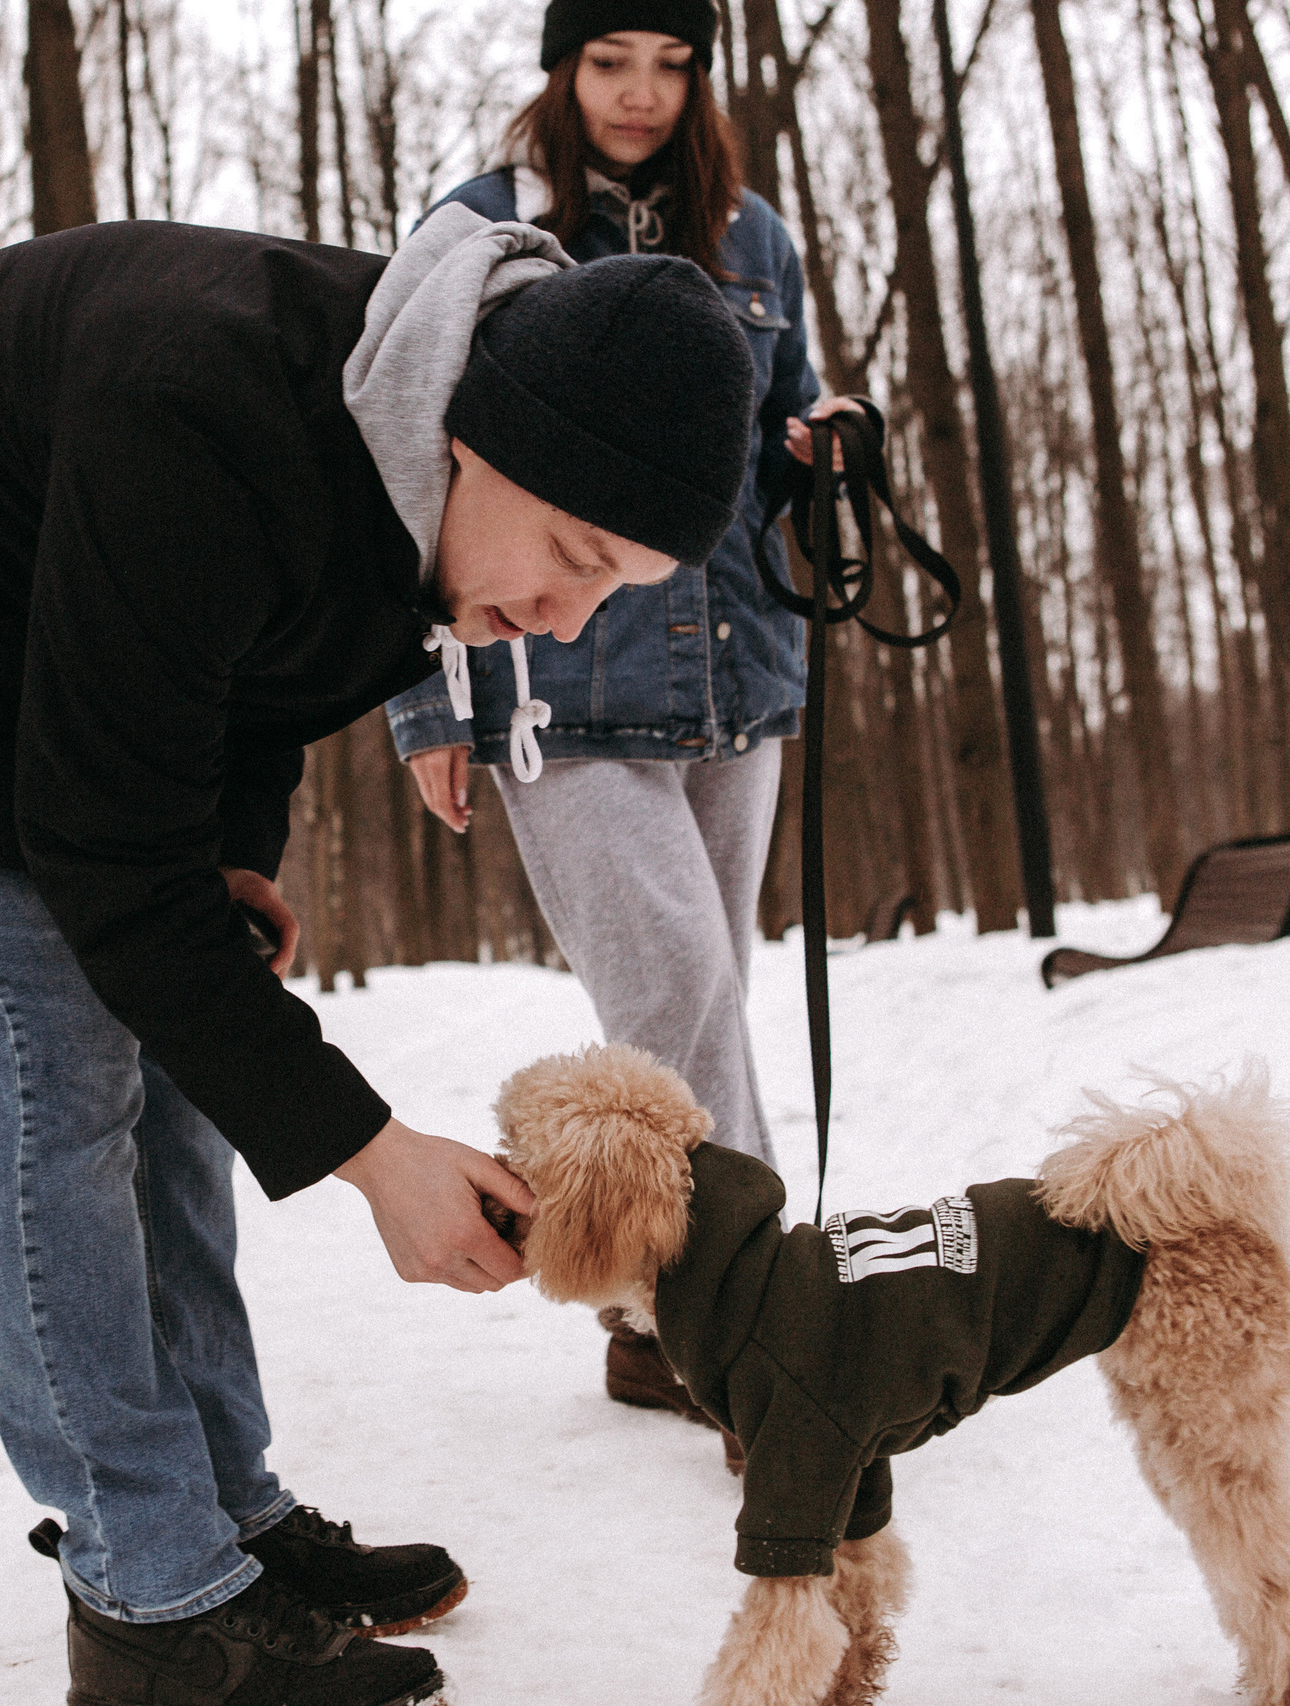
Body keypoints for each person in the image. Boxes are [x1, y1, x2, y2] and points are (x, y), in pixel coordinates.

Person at [0, 207, 757, 1705]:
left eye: (617, 588)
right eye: (574, 556)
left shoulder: (416, 478)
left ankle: (224, 1512)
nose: (564, 620)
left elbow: (255, 671)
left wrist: (230, 854)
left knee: (187, 1043)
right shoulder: (207, 412)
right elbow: (112, 853)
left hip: (53, 636)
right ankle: (152, 1597)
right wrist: (371, 1151)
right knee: (58, 1068)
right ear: (474, 438)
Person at [383, 0, 859, 1430]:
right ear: (562, 69)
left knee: (703, 1003)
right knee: (674, 993)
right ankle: (763, 1322)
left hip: (737, 674)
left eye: (670, 64)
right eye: (610, 61)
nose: (641, 92)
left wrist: (823, 445)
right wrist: (421, 698)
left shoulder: (752, 236)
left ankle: (658, 1318)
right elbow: (404, 461)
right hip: (561, 682)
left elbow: (776, 424)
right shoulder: (483, 226)